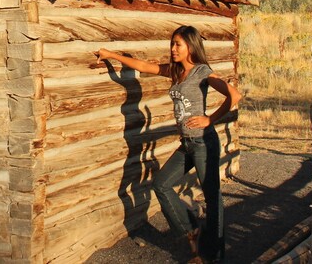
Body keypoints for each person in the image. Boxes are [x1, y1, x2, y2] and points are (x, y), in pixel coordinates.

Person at [96, 25, 242, 264]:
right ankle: (191, 229)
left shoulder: (202, 72)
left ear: (191, 46)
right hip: (187, 144)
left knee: (212, 198)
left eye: (178, 45)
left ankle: (213, 256)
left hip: (204, 143)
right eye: (172, 44)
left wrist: (210, 119)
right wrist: (111, 56)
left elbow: (234, 95)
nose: (173, 49)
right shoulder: (176, 73)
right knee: (162, 184)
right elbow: (144, 67)